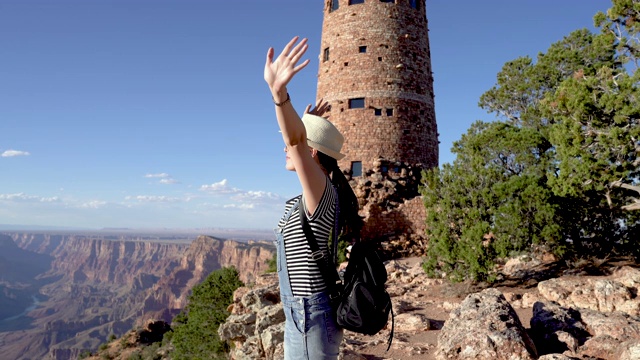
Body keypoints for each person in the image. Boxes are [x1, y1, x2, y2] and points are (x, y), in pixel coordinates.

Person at [264, 36, 362, 359]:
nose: (285, 146)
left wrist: (280, 97)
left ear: (312, 152)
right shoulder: (318, 192)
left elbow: (294, 142)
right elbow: (294, 140)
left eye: (297, 143)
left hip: (310, 317)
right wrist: (305, 121)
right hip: (307, 315)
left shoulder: (321, 191)